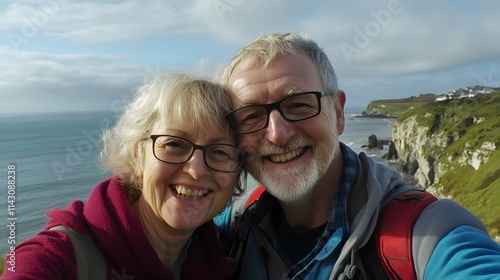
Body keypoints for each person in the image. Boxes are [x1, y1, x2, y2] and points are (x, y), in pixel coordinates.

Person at [214, 33, 500, 279]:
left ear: (338, 113)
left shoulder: (425, 233)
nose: (278, 134)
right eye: (250, 116)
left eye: (299, 104)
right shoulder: (236, 224)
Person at [1, 74, 246, 280]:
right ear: (138, 156)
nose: (196, 170)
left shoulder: (224, 252)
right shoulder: (61, 258)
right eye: (174, 144)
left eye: (219, 152)